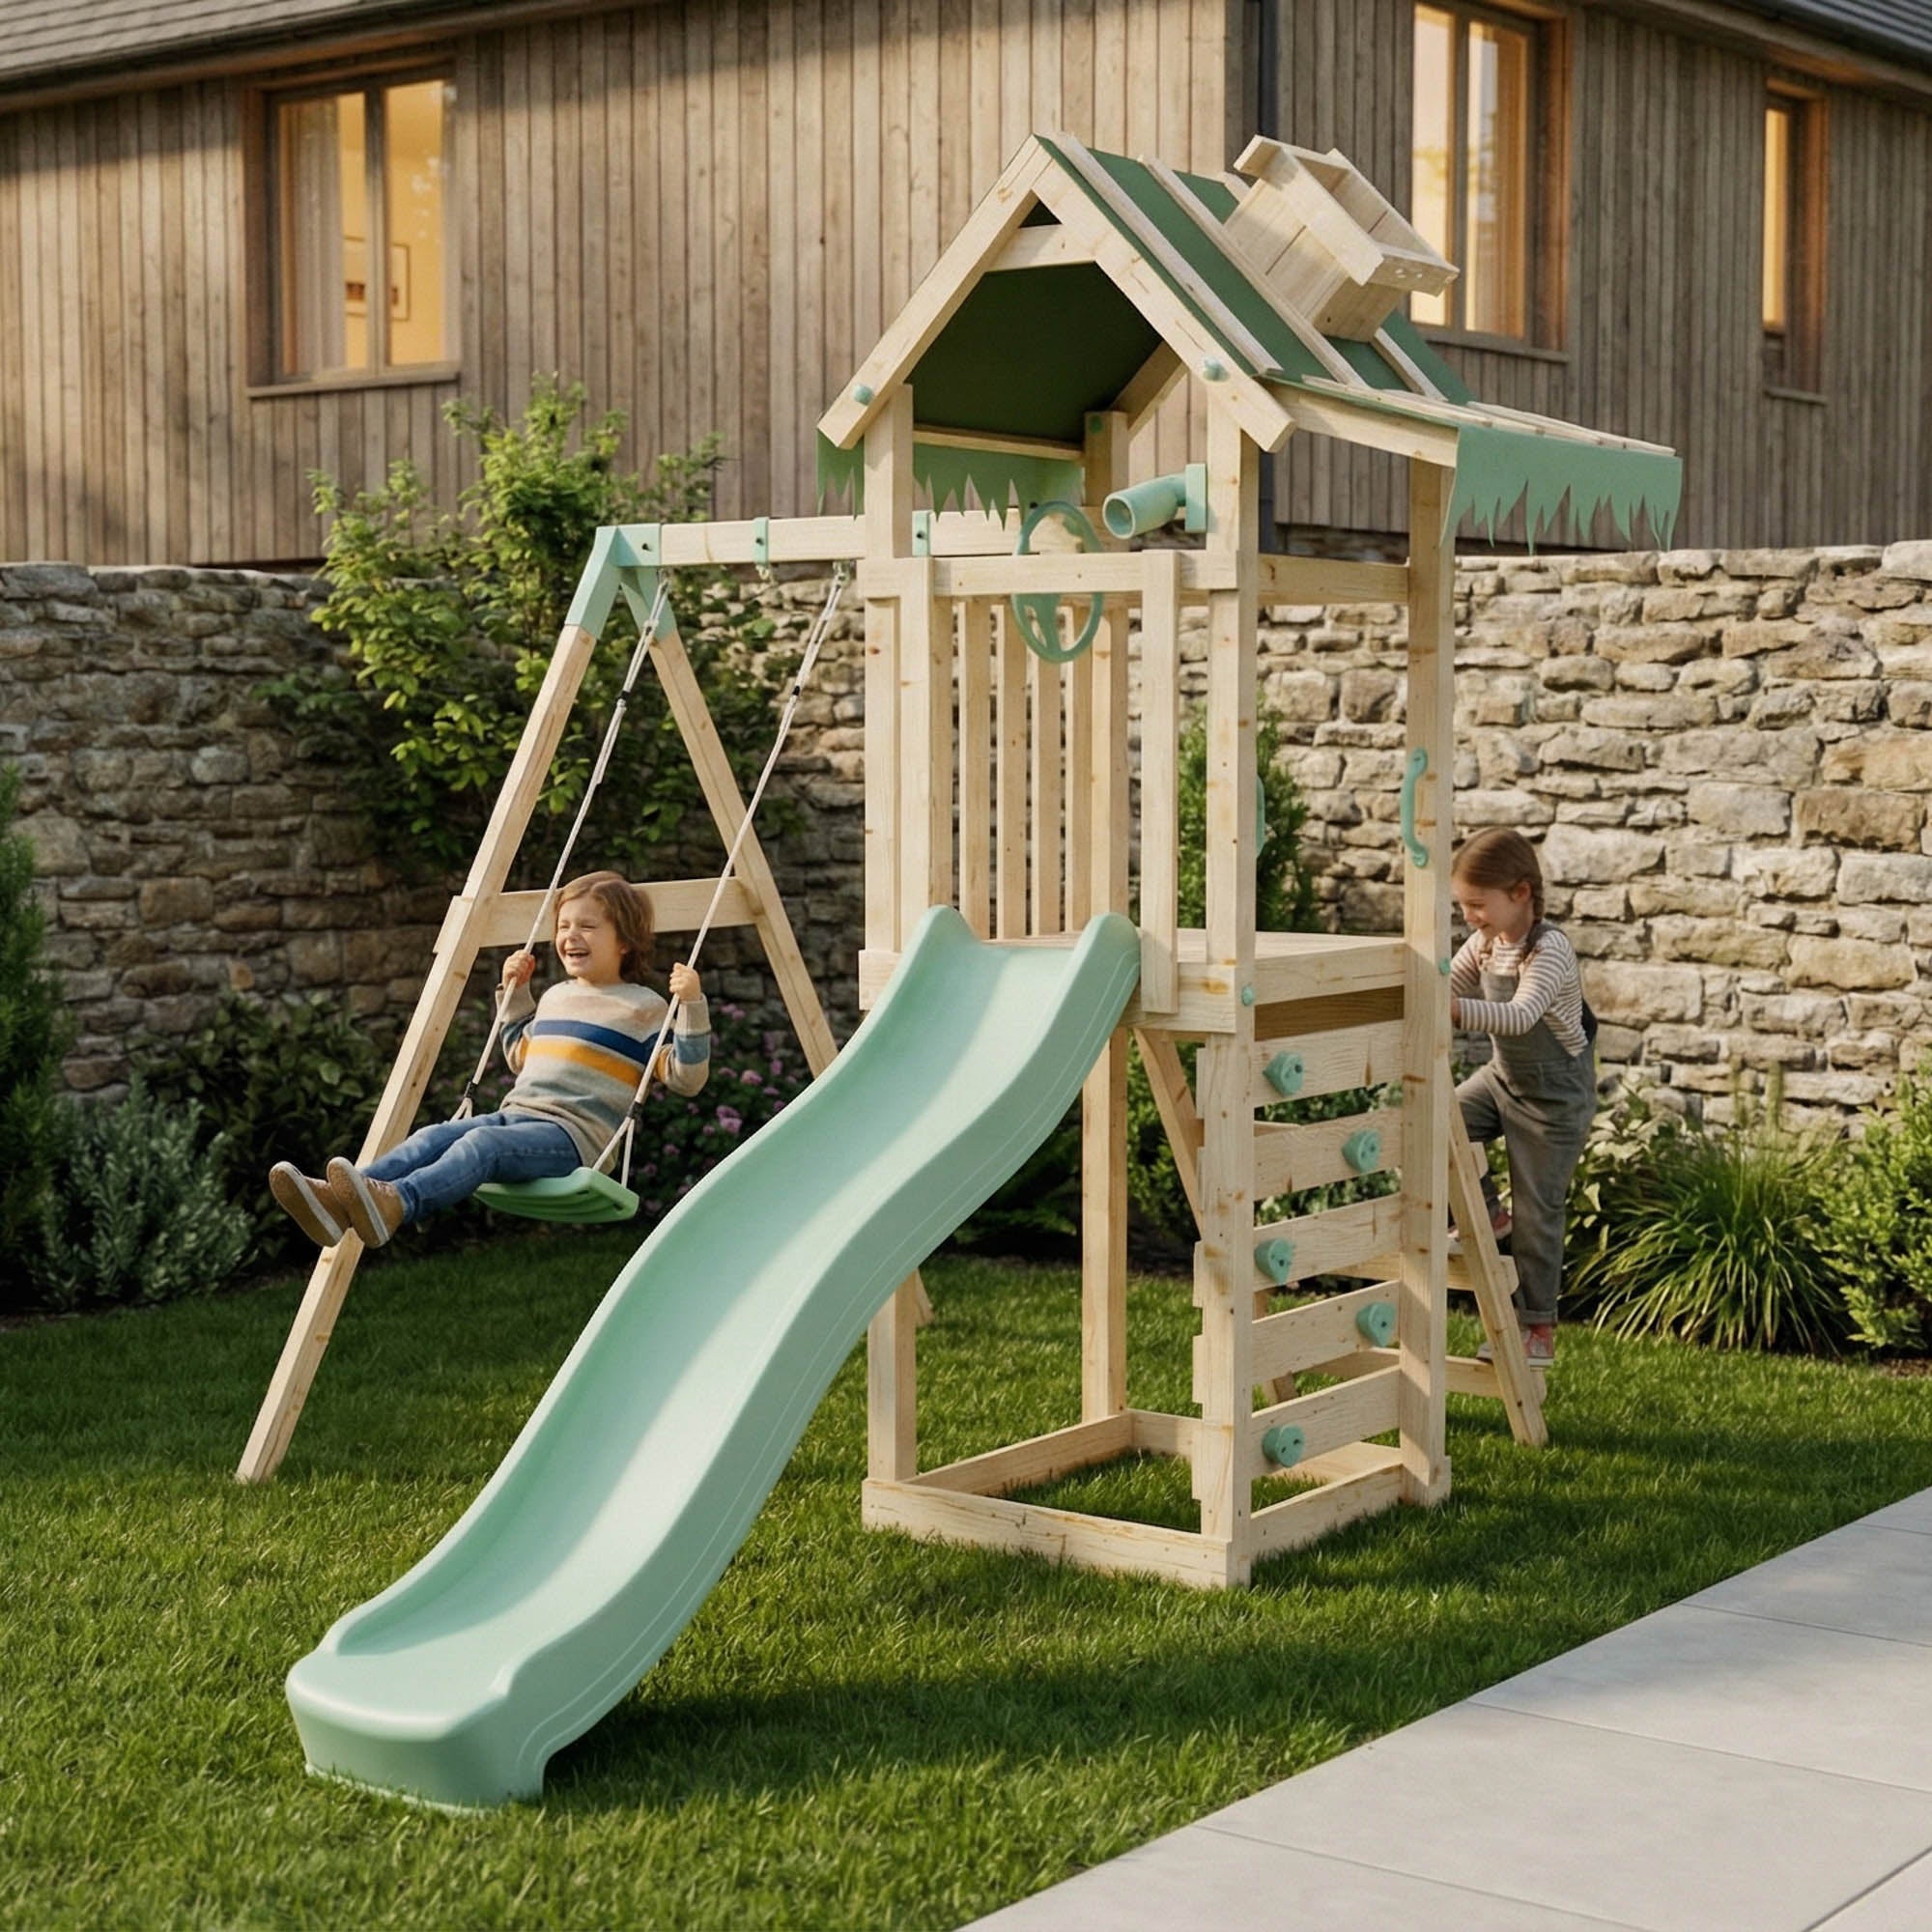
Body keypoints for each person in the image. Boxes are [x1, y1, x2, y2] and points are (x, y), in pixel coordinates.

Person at [269, 871, 709, 1249]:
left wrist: (691, 1005)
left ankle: (398, 1202)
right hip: (517, 1116)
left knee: (480, 1148)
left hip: (574, 1140)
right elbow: (521, 1056)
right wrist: (517, 994)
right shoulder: (556, 997)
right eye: (564, 926)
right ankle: (344, 1197)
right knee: (433, 1134)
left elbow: (685, 1078)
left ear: (626, 941)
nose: (570, 936)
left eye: (588, 926)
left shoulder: (645, 1008)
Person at [1448, 828, 1597, 1367]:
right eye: (1463, 906)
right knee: (1443, 1118)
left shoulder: (1549, 949)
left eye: (1477, 905)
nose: (1470, 917)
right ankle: (1486, 1212)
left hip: (1553, 1102)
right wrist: (1427, 991)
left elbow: (1520, 1016)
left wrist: (1457, 1012)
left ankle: (1536, 1329)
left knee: (1538, 1215)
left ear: (1520, 893)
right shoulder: (1487, 942)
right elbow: (1452, 982)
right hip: (1503, 1080)